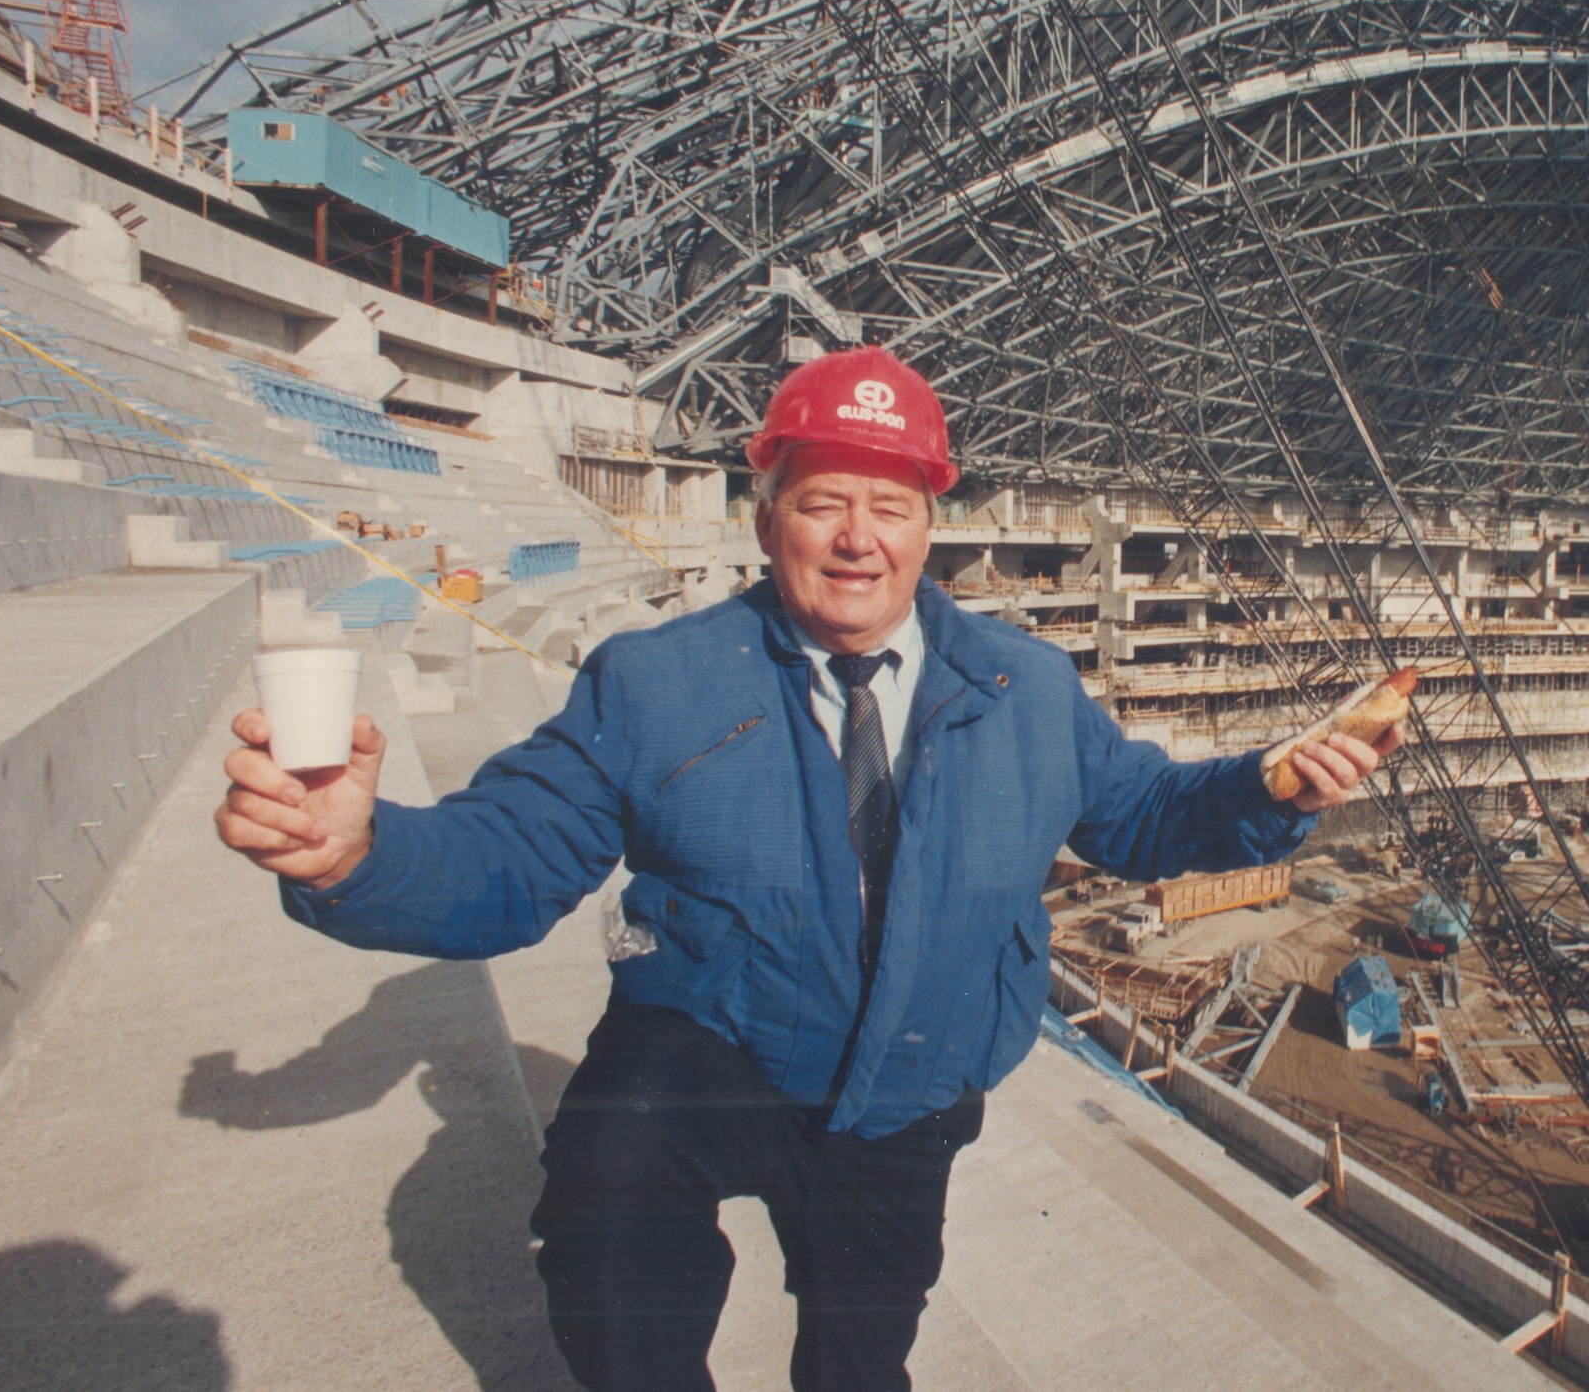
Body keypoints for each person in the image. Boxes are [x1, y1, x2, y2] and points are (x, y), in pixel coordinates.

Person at [213, 347, 1398, 1392]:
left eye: (890, 503)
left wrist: (1265, 789)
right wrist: (360, 855)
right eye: (823, 501)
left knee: (863, 1350)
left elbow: (1138, 813)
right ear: (766, 513)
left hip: (910, 1081)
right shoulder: (659, 681)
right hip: (716, 1041)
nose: (857, 538)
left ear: (933, 523)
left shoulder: (1023, 687)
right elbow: (515, 848)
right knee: (606, 1233)